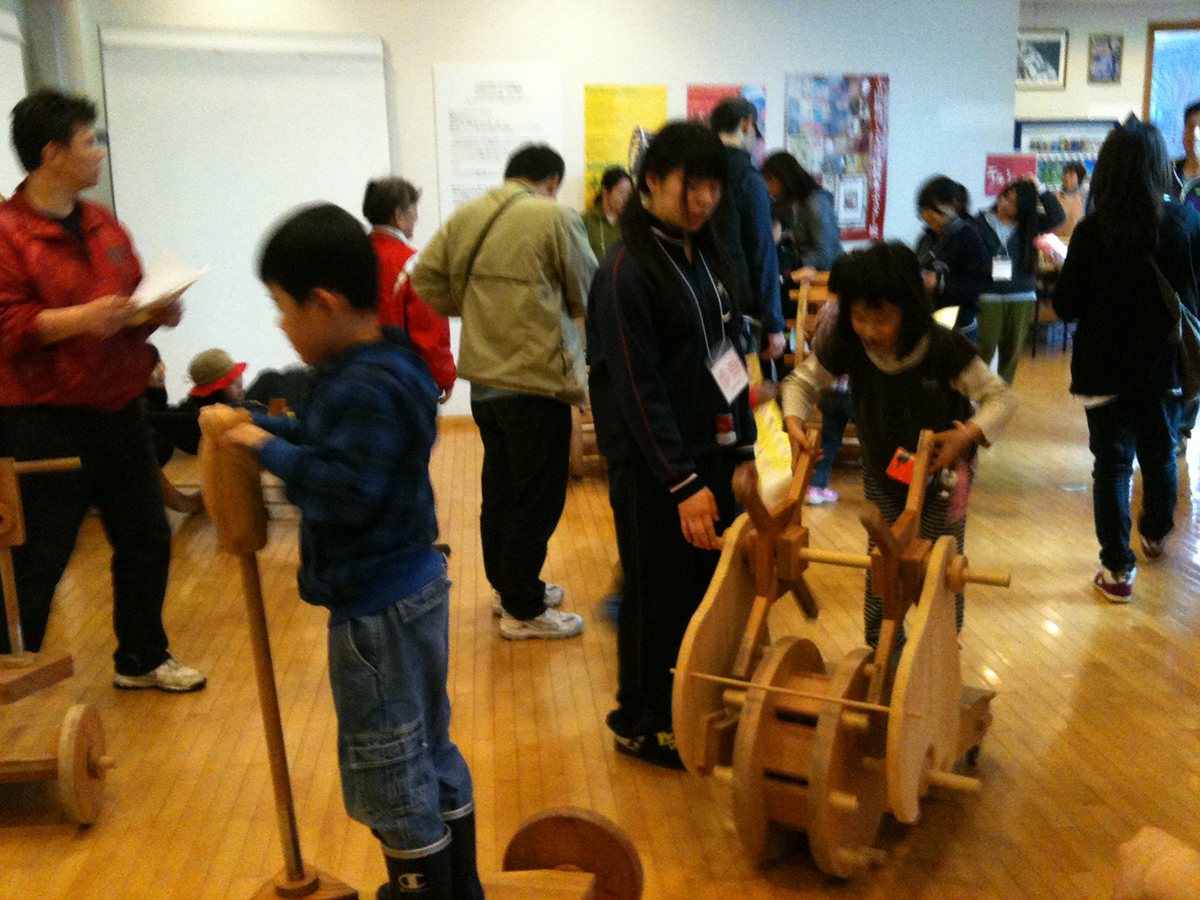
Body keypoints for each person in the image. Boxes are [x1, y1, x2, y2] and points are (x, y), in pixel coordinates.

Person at [216, 203, 483, 900]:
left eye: (283, 309)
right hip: (414, 586)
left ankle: (424, 889)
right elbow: (334, 442)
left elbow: (343, 490)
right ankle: (459, 889)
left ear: (325, 304)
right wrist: (268, 427)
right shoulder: (385, 365)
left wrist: (263, 445)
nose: (281, 325)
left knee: (392, 766)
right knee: (430, 746)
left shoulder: (361, 385)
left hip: (375, 613)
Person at [0, 88, 205, 691]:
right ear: (52, 152)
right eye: (90, 141)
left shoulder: (102, 223)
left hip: (120, 408)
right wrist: (81, 319)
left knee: (146, 537)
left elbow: (130, 299)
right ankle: (10, 671)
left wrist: (156, 311)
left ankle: (141, 658)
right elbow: (7, 326)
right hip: (44, 419)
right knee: (37, 555)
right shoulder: (8, 233)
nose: (99, 152)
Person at [587, 120, 758, 769]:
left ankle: (692, 704)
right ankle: (642, 720)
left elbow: (725, 354)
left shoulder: (702, 256)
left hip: (711, 452)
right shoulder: (625, 270)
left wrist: (745, 445)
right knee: (655, 593)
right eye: (692, 185)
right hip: (655, 469)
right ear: (652, 182)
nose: (705, 199)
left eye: (714, 186)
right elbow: (638, 389)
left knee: (703, 590)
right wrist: (683, 483)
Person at [781, 242, 1016, 647]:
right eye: (858, 317)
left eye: (882, 319)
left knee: (939, 565)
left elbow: (1002, 398)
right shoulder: (849, 345)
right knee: (883, 563)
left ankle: (942, 647)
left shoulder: (943, 347)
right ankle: (883, 648)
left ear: (909, 310)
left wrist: (965, 434)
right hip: (883, 472)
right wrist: (793, 422)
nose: (869, 331)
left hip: (943, 477)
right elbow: (799, 383)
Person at [412, 144, 595, 639]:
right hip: (536, 380)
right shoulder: (554, 217)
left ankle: (509, 587)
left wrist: (477, 307)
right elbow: (588, 290)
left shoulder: (468, 214)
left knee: (502, 492)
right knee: (537, 499)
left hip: (484, 382)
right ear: (552, 180)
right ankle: (523, 609)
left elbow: (424, 278)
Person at [1053, 117, 1200, 602]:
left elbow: (1066, 305)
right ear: (1159, 167)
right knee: (1160, 453)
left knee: (1112, 464)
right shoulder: (1182, 225)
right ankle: (1155, 534)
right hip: (1163, 368)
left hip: (1103, 368)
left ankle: (1117, 571)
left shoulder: (1093, 232)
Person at [363, 177, 456, 401]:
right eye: (414, 209)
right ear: (398, 215)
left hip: (356, 377)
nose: (417, 216)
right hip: (402, 382)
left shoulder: (354, 257)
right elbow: (429, 331)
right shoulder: (413, 265)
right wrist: (443, 376)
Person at [709, 97, 786, 362]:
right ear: (746, 124)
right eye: (755, 133)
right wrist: (775, 324)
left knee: (718, 381)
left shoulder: (700, 174)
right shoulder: (748, 179)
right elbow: (762, 251)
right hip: (740, 312)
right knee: (744, 384)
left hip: (702, 305)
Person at [973, 177, 1065, 383]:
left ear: (1023, 207)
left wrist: (1040, 188)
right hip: (988, 293)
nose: (1006, 203)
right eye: (1006, 196)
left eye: (1014, 202)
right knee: (985, 346)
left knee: (1012, 350)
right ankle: (978, 392)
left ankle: (1003, 392)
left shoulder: (1030, 224)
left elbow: (1058, 216)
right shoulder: (979, 222)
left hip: (1021, 293)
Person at [914, 175, 991, 344]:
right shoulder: (926, 237)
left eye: (933, 214)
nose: (928, 220)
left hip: (960, 327)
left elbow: (980, 283)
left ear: (954, 204)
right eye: (924, 216)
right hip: (931, 323)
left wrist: (939, 281)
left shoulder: (970, 237)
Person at [148, 348, 262, 456]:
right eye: (231, 382)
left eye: (239, 376)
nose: (241, 384)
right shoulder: (199, 422)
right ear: (215, 390)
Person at [1170, 100, 1200, 455]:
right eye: (1190, 126)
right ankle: (1163, 422)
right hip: (1163, 280)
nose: (1195, 133)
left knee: (1194, 355)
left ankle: (1181, 429)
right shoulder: (1166, 172)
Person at [761, 150, 844, 273]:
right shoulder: (793, 204)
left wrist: (794, 264)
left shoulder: (816, 202)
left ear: (781, 179)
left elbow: (826, 254)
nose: (767, 188)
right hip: (809, 275)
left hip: (829, 276)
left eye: (769, 181)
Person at [581, 165, 633, 262]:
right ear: (606, 191)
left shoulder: (631, 223)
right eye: (622, 192)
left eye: (629, 194)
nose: (626, 199)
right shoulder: (586, 220)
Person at [1054, 162, 1089, 241]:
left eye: (1071, 175)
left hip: (1077, 240)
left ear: (1079, 179)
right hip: (1057, 241)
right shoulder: (1056, 196)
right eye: (1065, 174)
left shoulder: (1084, 197)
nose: (1066, 177)